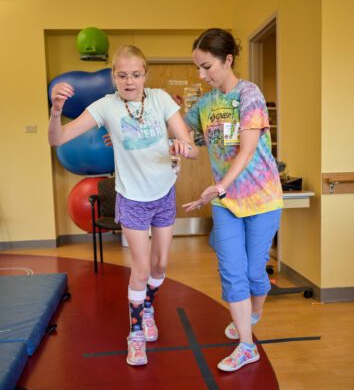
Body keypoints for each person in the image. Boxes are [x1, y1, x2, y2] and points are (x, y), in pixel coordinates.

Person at [48, 45, 198, 367]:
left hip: (163, 194)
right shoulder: (106, 106)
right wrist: (56, 111)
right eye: (122, 75)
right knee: (141, 270)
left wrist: (184, 147)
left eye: (136, 74)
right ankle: (135, 335)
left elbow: (193, 148)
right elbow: (58, 139)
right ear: (113, 77)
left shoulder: (160, 100)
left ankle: (147, 309)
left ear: (145, 75)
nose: (129, 81)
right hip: (132, 198)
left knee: (159, 267)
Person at [182, 28, 283, 372]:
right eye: (198, 67)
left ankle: (252, 311)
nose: (201, 75)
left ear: (227, 60)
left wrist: (221, 184)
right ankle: (246, 344)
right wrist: (129, 135)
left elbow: (248, 148)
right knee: (232, 271)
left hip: (261, 199)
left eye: (206, 66)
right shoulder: (206, 105)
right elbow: (180, 132)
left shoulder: (249, 95)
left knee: (255, 272)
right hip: (226, 203)